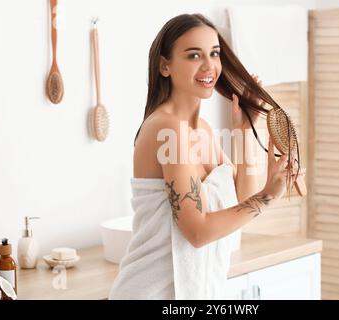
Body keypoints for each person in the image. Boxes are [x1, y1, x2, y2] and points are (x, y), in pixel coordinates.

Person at [109, 13, 304, 300]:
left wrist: (246, 127)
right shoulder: (168, 128)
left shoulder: (202, 129)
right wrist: (268, 196)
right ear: (165, 66)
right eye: (193, 55)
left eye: (214, 53)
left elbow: (237, 202)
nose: (209, 65)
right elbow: (197, 232)